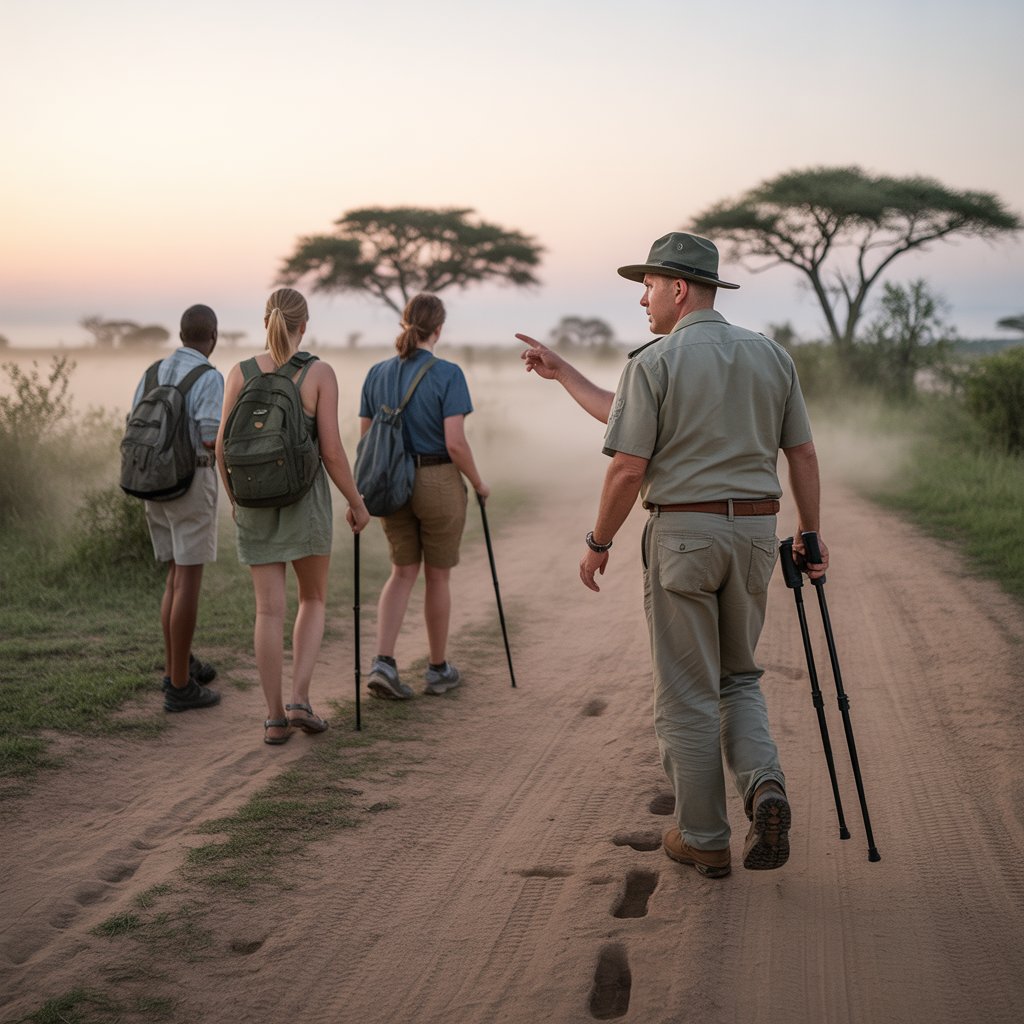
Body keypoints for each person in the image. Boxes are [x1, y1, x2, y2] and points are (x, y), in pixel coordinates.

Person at [518, 232, 828, 878]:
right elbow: (800, 453)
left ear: (679, 289)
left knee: (687, 693)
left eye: (650, 286)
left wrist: (598, 542)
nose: (643, 299)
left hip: (683, 539)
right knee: (738, 678)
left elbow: (629, 465)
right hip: (752, 539)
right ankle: (764, 785)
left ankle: (704, 836)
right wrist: (809, 534)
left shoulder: (654, 362)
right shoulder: (770, 356)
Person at [216, 287, 370, 745]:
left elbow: (223, 448)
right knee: (313, 599)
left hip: (253, 503)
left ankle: (273, 717)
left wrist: (235, 499)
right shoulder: (318, 372)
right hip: (305, 499)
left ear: (267, 320)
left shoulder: (239, 373)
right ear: (305, 324)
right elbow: (332, 451)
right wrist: (357, 503)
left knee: (267, 610)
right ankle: (300, 699)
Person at [358, 293, 489, 700]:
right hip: (437, 481)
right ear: (439, 328)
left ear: (404, 324)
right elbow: (455, 444)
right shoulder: (448, 374)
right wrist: (479, 483)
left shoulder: (376, 373)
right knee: (438, 576)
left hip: (388, 483)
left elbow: (365, 441)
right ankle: (437, 668)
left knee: (401, 573)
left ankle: (384, 661)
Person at [131, 304, 224, 713]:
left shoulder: (152, 371)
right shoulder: (209, 377)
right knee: (187, 581)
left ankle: (177, 666)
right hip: (190, 482)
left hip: (152, 482)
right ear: (213, 337)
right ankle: (180, 686)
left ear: (181, 334)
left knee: (173, 577)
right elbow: (208, 438)